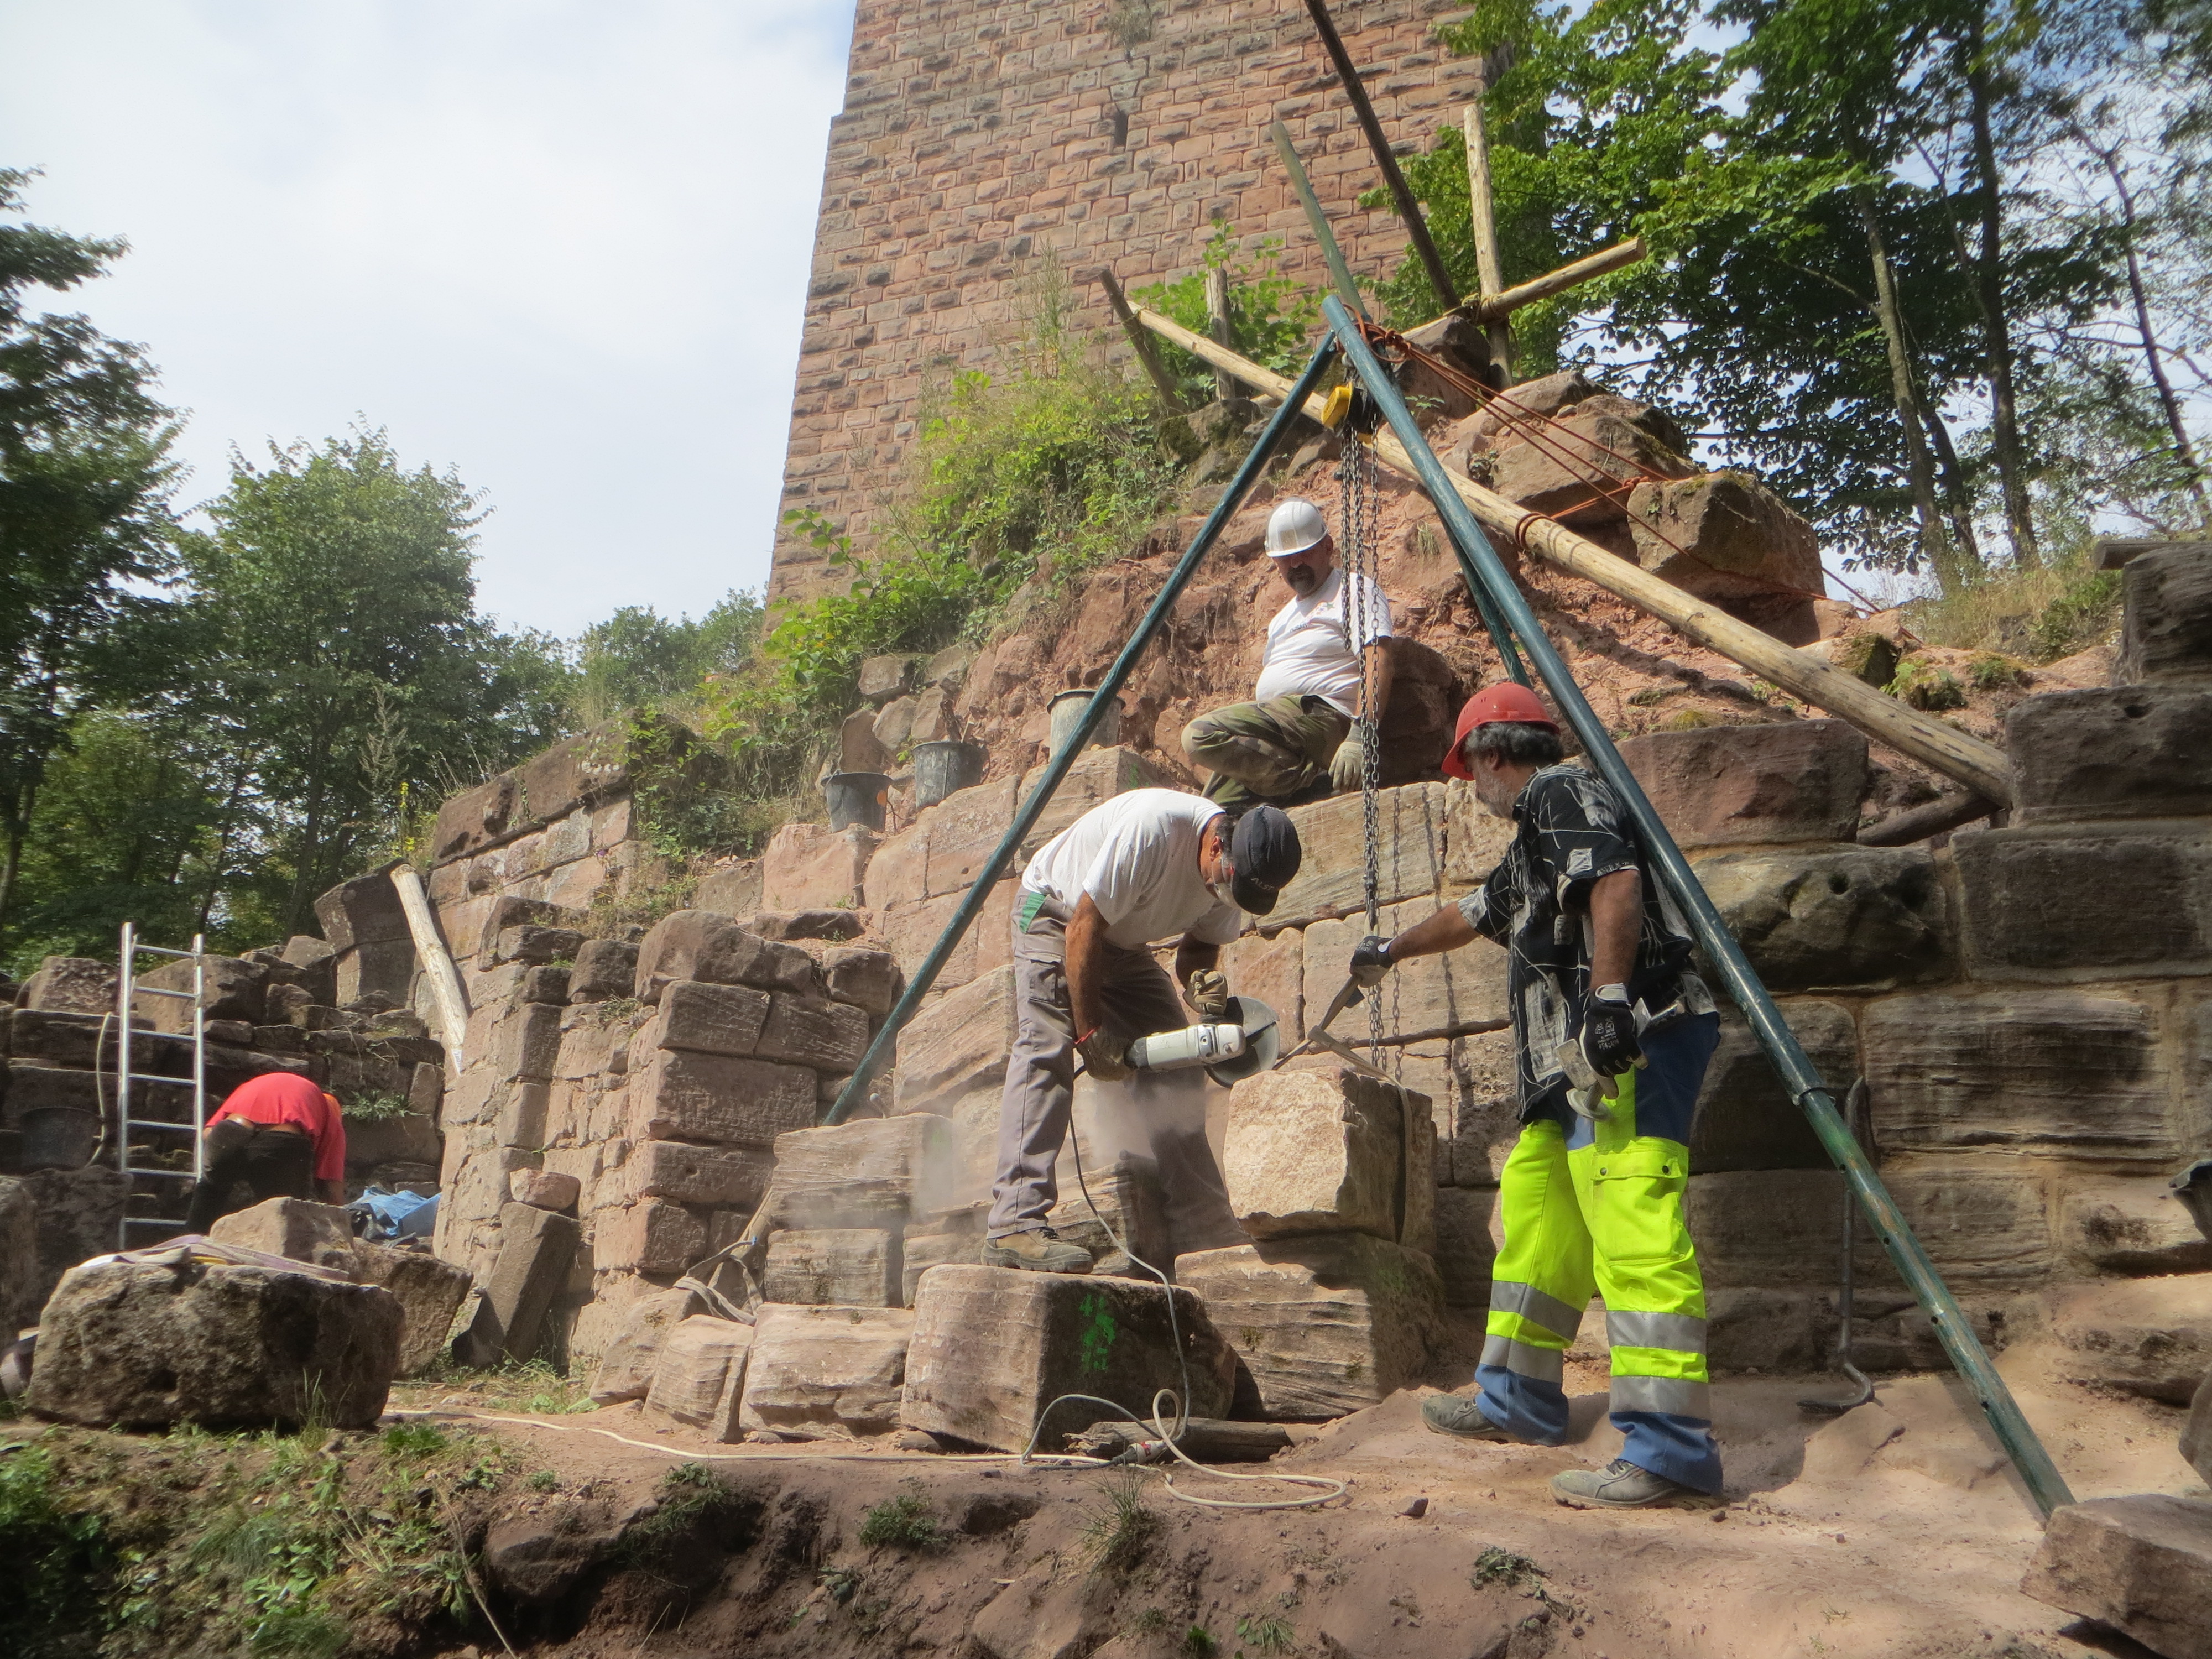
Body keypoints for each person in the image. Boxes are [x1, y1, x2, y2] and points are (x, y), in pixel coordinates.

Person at [1345, 682, 1723, 1510]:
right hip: (1567, 1071)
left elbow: (1614, 880)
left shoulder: (1560, 791)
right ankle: (1517, 1399)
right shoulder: (1530, 844)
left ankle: (1669, 1451)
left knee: (1632, 1226)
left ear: (1491, 755)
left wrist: (1610, 1000)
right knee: (1538, 1221)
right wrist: (1389, 951)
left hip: (1631, 1040)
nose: (1470, 788)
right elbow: (1472, 913)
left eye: (1468, 769)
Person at [984, 789, 1302, 1272]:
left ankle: (1201, 1222)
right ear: (1218, 846)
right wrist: (1091, 1037)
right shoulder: (1153, 831)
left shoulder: (1235, 874)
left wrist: (1200, 983)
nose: (1227, 895)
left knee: (1177, 1064)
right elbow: (1082, 929)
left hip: (1119, 940)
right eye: (1228, 881)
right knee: (1047, 1046)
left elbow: (1198, 950)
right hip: (1054, 914)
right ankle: (1014, 1221)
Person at [1181, 497, 1394, 809]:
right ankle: (1300, 789)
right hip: (1283, 729)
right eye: (1286, 558)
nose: (1295, 565)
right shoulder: (1282, 620)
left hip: (1324, 716)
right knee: (1214, 809)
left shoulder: (1354, 590)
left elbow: (1379, 660)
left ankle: (1309, 784)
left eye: (1304, 553)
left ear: (1327, 547)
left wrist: (1360, 735)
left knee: (1199, 735)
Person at [184, 1071, 349, 1233]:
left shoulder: (256, 1085)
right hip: (281, 1140)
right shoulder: (330, 1115)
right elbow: (332, 1189)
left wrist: (225, 1164)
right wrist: (343, 1232)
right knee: (287, 1213)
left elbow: (208, 1133)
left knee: (211, 1190)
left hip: (229, 1132)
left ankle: (193, 1239)